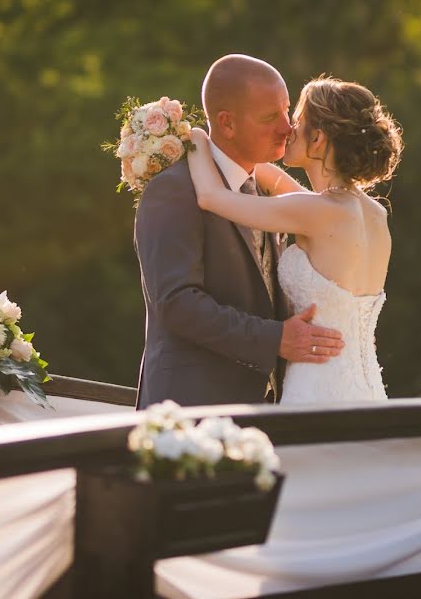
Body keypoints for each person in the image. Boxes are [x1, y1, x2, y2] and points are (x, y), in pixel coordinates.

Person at [133, 54, 345, 410]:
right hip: (189, 410)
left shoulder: (267, 193)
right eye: (268, 117)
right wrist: (275, 338)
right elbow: (176, 303)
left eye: (286, 110)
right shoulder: (174, 190)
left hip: (265, 415)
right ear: (227, 124)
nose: (286, 127)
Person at [187, 75, 404, 405]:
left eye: (297, 120)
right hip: (367, 387)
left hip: (318, 386)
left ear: (316, 138)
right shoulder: (371, 213)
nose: (288, 128)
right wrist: (243, 153)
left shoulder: (315, 211)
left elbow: (211, 197)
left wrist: (197, 139)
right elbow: (278, 182)